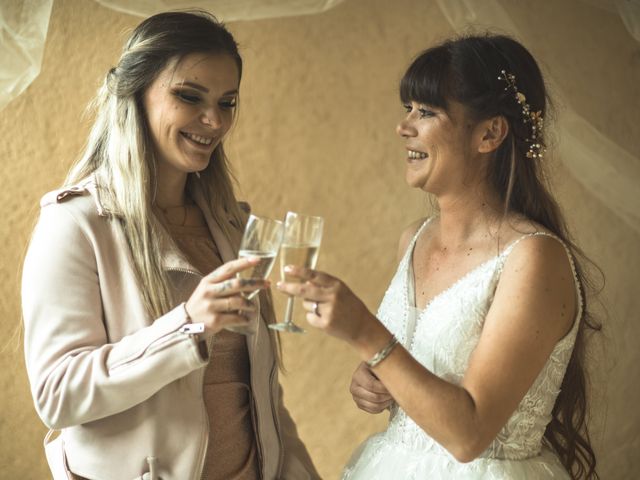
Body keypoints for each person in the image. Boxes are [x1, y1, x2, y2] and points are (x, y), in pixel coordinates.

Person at [278, 34, 600, 479]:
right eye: (407, 108)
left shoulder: (534, 258)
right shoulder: (413, 238)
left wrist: (364, 332)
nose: (403, 126)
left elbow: (469, 434)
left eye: (426, 112)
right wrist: (375, 379)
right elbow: (412, 369)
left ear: (489, 133)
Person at [22, 11, 319, 480]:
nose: (214, 120)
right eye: (189, 96)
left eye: (228, 102)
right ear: (135, 93)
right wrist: (187, 326)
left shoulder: (231, 224)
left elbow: (263, 397)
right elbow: (58, 395)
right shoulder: (75, 223)